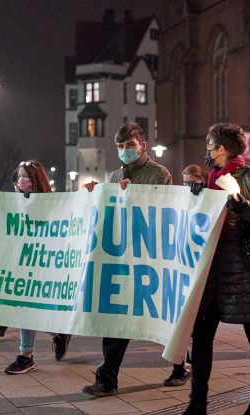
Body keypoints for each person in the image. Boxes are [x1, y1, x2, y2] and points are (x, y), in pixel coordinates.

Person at [164, 122, 250, 415]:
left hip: (244, 268)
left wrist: (238, 202)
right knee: (201, 335)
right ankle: (197, 407)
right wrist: (197, 196)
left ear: (223, 149)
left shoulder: (249, 176)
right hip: (212, 267)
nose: (208, 151)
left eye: (211, 145)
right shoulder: (212, 178)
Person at [82, 122, 173, 397]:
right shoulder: (113, 176)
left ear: (142, 146)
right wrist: (94, 196)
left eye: (129, 146)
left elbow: (165, 213)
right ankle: (106, 378)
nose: (124, 151)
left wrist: (133, 196)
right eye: (120, 147)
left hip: (150, 258)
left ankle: (181, 364)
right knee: (116, 319)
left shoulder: (159, 174)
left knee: (162, 317)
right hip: (122, 258)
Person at [0, 160, 73, 374]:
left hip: (42, 263)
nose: (21, 180)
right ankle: (54, 335)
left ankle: (27, 355)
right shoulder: (15, 201)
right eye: (19, 176)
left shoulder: (50, 202)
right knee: (27, 307)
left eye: (26, 176)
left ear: (36, 180)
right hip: (21, 262)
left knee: (28, 308)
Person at [163, 164, 209, 387]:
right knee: (178, 322)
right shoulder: (180, 202)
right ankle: (180, 367)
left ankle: (186, 367)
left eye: (193, 182)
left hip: (199, 270)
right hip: (181, 268)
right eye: (185, 183)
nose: (189, 187)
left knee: (193, 327)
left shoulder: (209, 201)